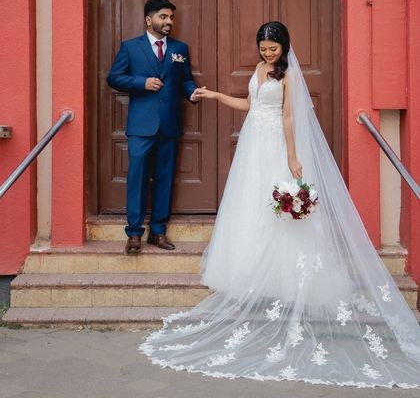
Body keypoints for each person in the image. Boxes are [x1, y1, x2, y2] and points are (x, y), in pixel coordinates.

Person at [139, 21, 420, 388]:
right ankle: (252, 272)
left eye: (273, 48)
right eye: (263, 47)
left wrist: (292, 156)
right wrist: (215, 96)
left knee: (280, 210)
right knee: (251, 208)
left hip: (275, 146)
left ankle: (287, 278)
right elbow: (250, 104)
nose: (267, 53)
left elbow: (288, 115)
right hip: (253, 144)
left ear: (284, 46)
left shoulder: (289, 75)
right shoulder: (258, 70)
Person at [107, 0, 200, 254]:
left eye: (171, 17)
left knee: (164, 179)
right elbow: (113, 77)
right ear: (149, 20)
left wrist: (192, 93)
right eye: (163, 17)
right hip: (140, 126)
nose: (169, 22)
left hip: (169, 125)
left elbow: (186, 81)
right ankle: (134, 233)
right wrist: (141, 83)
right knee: (137, 179)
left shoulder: (180, 48)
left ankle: (158, 231)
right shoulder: (130, 48)